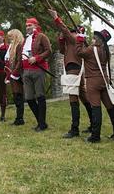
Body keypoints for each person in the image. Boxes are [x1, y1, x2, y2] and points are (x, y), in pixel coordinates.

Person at [48, 9, 93, 138]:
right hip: (74, 69)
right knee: (84, 98)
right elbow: (63, 50)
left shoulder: (74, 39)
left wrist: (56, 18)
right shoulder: (75, 42)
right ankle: (93, 124)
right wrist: (61, 40)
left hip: (73, 69)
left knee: (73, 99)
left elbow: (65, 31)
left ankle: (75, 129)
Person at [76, 28, 114, 143]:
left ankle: (95, 136)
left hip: (93, 81)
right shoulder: (105, 50)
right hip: (104, 81)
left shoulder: (92, 49)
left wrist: (80, 37)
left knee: (95, 108)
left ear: (98, 39)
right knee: (111, 108)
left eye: (94, 37)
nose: (93, 38)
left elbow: (79, 52)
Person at [21, 17, 52, 132]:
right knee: (29, 98)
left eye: (30, 25)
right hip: (26, 71)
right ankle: (41, 122)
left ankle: (42, 124)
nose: (27, 27)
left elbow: (49, 50)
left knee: (40, 96)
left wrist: (37, 58)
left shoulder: (41, 36)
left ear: (35, 25)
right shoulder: (25, 39)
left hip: (38, 69)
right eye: (26, 25)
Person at [5, 29, 25, 125]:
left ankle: (20, 119)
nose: (9, 39)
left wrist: (14, 73)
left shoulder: (19, 46)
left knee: (18, 95)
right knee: (16, 95)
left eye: (11, 36)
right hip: (12, 73)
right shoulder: (11, 47)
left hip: (17, 74)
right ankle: (18, 118)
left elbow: (19, 61)